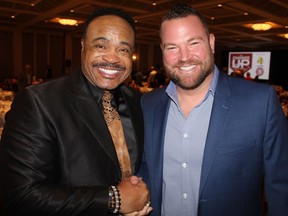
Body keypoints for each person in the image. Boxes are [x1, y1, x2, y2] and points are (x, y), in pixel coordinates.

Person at [138, 3, 288, 216]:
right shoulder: (149, 104)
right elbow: (146, 164)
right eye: (172, 47)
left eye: (193, 43)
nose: (184, 56)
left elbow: (282, 188)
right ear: (162, 51)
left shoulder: (260, 102)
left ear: (211, 42)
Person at [0, 8, 152, 216]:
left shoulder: (139, 101)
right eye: (100, 45)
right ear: (82, 47)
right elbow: (20, 196)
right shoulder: (39, 102)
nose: (112, 58)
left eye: (123, 50)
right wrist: (113, 199)